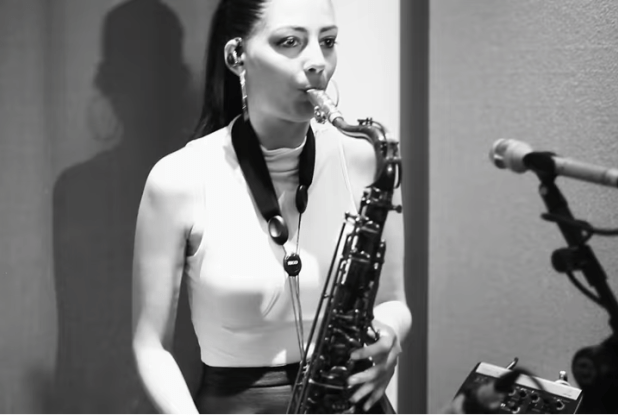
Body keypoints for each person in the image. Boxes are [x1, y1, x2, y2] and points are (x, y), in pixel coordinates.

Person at [131, 0, 411, 413]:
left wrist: (389, 331)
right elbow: (150, 346)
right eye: (290, 42)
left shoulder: (368, 160)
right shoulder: (179, 178)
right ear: (237, 56)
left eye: (328, 41)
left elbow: (394, 300)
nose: (318, 62)